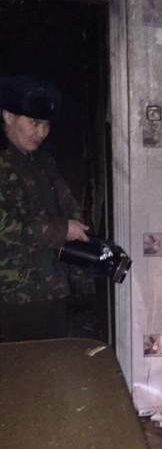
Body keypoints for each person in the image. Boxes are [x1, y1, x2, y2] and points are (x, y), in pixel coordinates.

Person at [0, 74, 90, 341]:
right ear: (8, 116)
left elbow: (67, 205)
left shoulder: (42, 162)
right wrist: (62, 229)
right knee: (24, 364)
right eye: (34, 123)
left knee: (54, 359)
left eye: (46, 124)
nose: (41, 133)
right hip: (14, 294)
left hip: (51, 285)